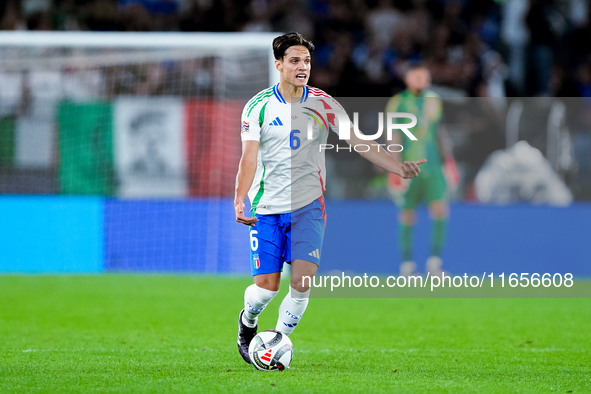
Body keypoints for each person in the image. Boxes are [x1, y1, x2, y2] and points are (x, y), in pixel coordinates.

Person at [234, 32, 426, 364]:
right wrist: (239, 200)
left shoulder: (323, 103)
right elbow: (249, 158)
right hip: (266, 208)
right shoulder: (258, 107)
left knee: (302, 281)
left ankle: (274, 345)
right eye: (294, 61)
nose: (302, 67)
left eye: (306, 61)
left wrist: (398, 167)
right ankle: (247, 324)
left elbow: (360, 141)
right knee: (266, 288)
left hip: (309, 207)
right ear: (278, 64)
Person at [386, 62, 458, 277]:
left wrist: (449, 162)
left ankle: (434, 264)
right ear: (407, 79)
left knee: (440, 210)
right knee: (407, 214)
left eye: (423, 77)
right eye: (416, 77)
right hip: (408, 167)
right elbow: (393, 136)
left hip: (433, 166)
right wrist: (394, 166)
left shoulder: (434, 100)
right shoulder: (398, 102)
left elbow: (440, 132)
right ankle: (407, 267)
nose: (420, 81)